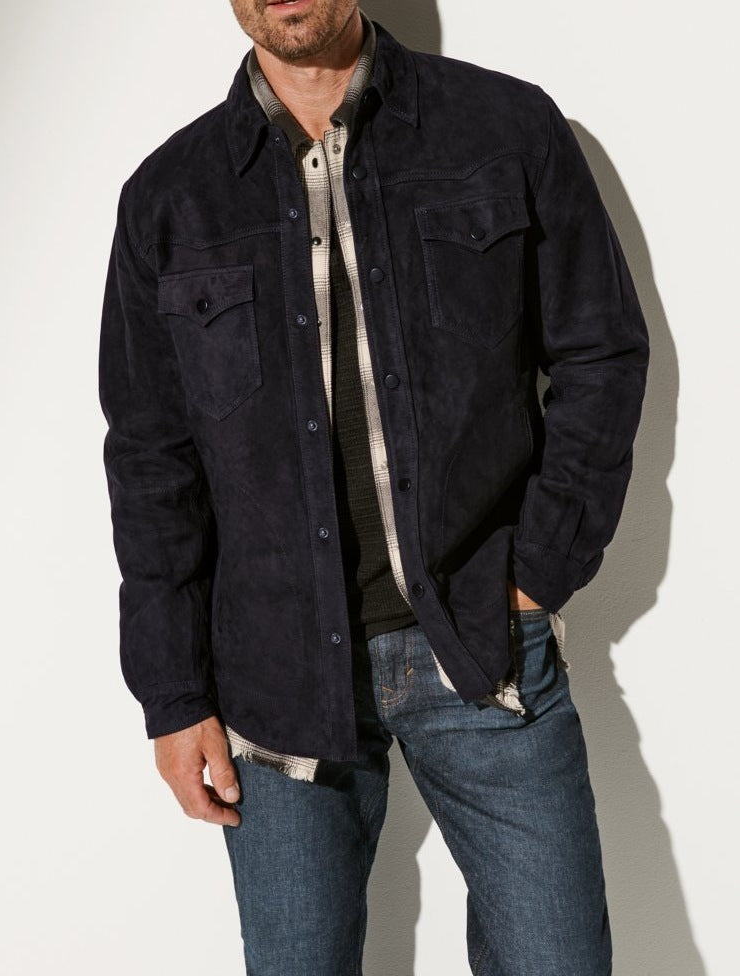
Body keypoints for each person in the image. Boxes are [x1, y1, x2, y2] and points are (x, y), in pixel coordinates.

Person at [98, 2, 649, 973]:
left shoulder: (504, 127)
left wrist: (537, 572)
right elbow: (151, 459)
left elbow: (598, 351)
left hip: (481, 646)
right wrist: (174, 695)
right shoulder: (169, 196)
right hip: (271, 679)